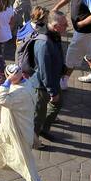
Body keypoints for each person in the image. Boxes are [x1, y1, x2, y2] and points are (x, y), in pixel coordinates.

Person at [27, 7, 68, 143]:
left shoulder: (54, 35)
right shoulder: (44, 43)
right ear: (56, 26)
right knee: (38, 116)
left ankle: (43, 130)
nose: (67, 26)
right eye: (64, 24)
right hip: (41, 85)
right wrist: (52, 91)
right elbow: (45, 71)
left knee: (58, 103)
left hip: (52, 81)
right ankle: (32, 140)